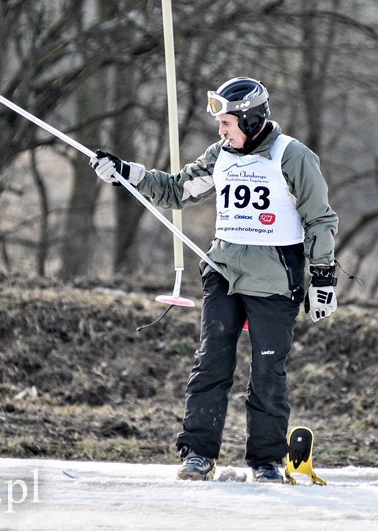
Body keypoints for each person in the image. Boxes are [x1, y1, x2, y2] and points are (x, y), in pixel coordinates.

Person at [90, 76, 338, 483]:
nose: (221, 130)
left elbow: (320, 218)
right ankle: (198, 454)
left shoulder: (291, 157)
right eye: (220, 122)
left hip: (275, 281)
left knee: (267, 373)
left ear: (253, 118)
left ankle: (266, 461)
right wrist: (127, 173)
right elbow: (176, 191)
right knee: (210, 365)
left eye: (228, 122)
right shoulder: (220, 154)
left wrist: (324, 277)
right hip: (223, 273)